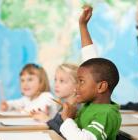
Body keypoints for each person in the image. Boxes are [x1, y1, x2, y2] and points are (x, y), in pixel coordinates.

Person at [31, 5, 99, 135]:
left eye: (62, 81)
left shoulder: (84, 106)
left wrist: (50, 120)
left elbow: (65, 131)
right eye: (56, 80)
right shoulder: (67, 104)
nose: (56, 84)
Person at [59, 58, 121, 140]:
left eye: (81, 81)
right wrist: (72, 117)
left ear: (101, 87)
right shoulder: (88, 106)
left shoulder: (106, 114)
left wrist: (67, 119)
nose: (75, 88)